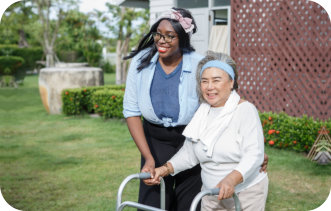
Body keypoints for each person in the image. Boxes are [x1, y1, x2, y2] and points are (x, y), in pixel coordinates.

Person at [123, 7, 268, 211]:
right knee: (152, 200)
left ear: (182, 38)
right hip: (155, 140)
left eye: (170, 35)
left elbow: (227, 107)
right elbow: (132, 111)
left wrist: (255, 154)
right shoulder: (142, 62)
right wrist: (154, 162)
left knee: (189, 201)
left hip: (195, 138)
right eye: (158, 34)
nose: (162, 40)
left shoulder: (202, 66)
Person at [151, 51, 269, 211]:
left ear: (231, 82)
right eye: (204, 81)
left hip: (246, 193)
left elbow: (254, 155)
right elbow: (189, 154)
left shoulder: (245, 110)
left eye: (216, 80)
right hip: (210, 194)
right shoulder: (202, 113)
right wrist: (163, 169)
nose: (209, 87)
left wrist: (231, 180)